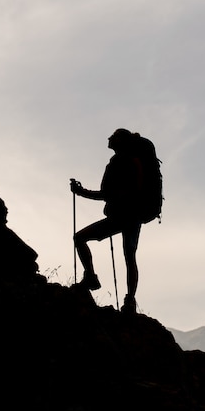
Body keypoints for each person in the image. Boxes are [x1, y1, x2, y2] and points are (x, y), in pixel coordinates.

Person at [70, 128, 145, 314]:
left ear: (120, 141)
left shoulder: (118, 163)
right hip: (133, 217)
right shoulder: (135, 162)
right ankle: (130, 301)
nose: (109, 138)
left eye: (114, 136)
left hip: (120, 217)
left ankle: (90, 278)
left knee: (80, 238)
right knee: (129, 257)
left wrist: (81, 192)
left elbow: (106, 194)